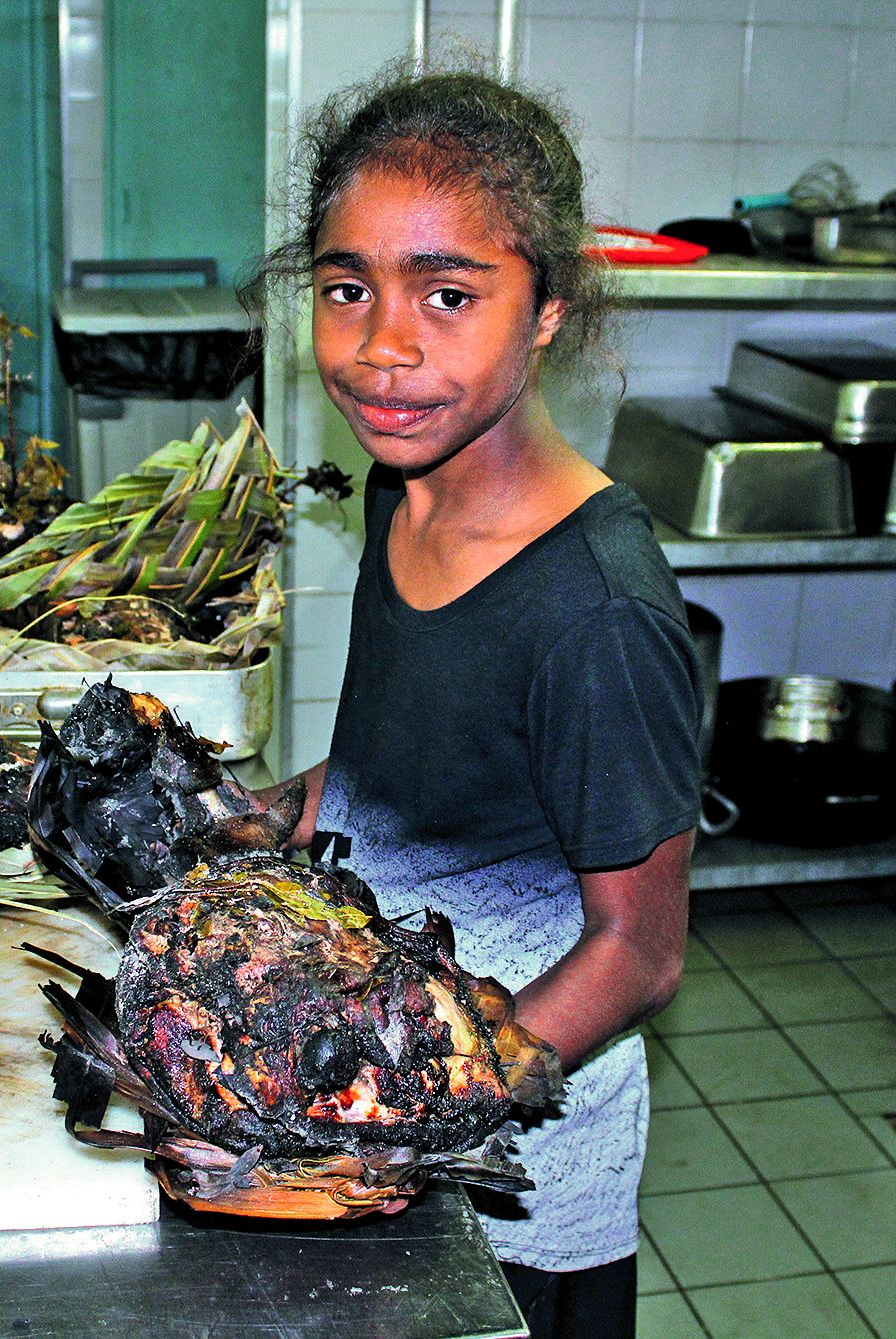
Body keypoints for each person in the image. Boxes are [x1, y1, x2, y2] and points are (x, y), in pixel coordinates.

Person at [245, 61, 702, 1339]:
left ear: (547, 308)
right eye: (346, 291)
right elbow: (392, 763)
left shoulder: (592, 615)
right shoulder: (409, 485)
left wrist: (433, 1103)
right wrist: (263, 814)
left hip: (513, 1175)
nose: (382, 348)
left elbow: (637, 948)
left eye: (448, 295)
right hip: (374, 1079)